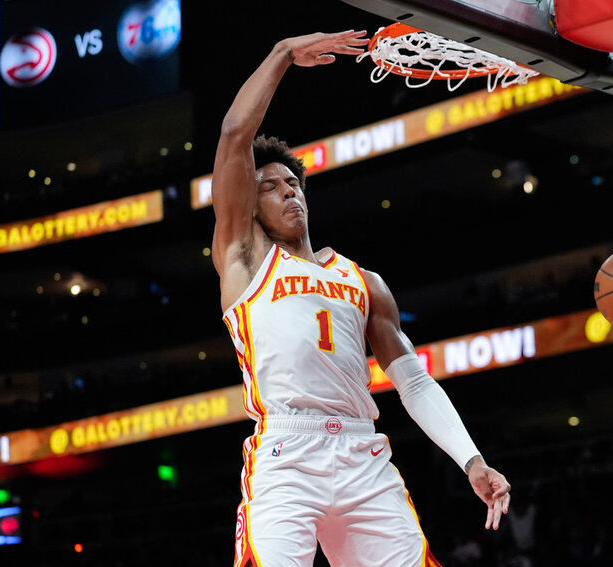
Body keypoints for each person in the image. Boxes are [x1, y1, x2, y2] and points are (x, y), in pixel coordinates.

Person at [211, 30, 512, 567]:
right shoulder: (245, 259)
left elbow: (414, 381)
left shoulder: (362, 280)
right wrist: (281, 53)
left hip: (360, 453)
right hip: (285, 453)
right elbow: (235, 135)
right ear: (249, 209)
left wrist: (471, 461)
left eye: (293, 183)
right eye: (270, 187)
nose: (288, 191)